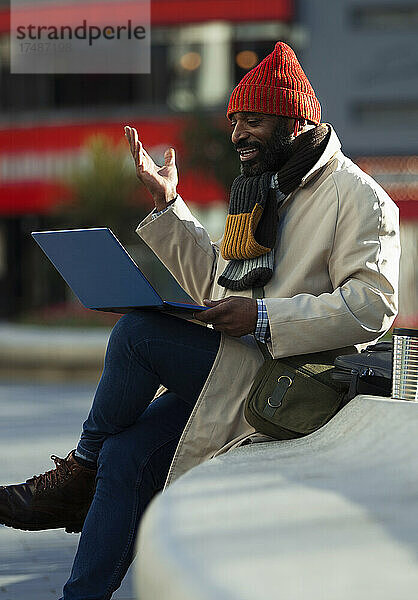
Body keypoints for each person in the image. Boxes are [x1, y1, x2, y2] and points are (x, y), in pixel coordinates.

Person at [0, 42, 400, 600]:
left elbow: (372, 307)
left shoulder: (361, 198)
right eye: (234, 119)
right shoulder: (259, 189)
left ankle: (78, 469)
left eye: (252, 120)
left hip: (292, 381)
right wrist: (168, 206)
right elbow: (219, 286)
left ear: (295, 119)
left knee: (138, 335)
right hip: (241, 363)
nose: (237, 133)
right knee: (125, 455)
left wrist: (262, 317)